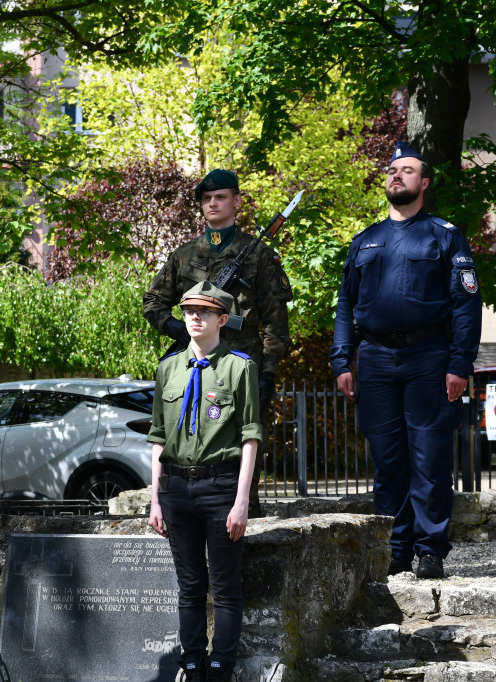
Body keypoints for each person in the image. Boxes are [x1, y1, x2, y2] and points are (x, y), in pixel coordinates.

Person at [329, 141, 482, 580]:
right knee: (389, 459)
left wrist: (459, 365)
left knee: (430, 458)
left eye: (408, 170)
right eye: (392, 169)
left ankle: (430, 549)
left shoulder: (445, 235)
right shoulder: (365, 241)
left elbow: (466, 306)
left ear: (424, 182)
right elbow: (345, 307)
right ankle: (395, 550)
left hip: (429, 358)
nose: (397, 175)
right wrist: (343, 362)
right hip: (375, 360)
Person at [143, 169, 292, 517]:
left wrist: (267, 373)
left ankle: (245, 512)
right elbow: (153, 301)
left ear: (236, 201)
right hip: (192, 362)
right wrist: (174, 328)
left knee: (245, 438)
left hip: (242, 360)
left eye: (220, 196)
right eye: (206, 198)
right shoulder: (184, 255)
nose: (212, 203)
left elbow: (276, 323)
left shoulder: (257, 255)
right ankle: (181, 507)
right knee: (187, 433)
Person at [147, 281, 262, 682]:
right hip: (176, 488)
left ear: (222, 319)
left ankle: (220, 665)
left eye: (204, 312)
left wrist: (242, 500)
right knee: (190, 586)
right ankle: (192, 662)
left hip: (221, 486)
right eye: (188, 311)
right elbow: (158, 436)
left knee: (226, 586)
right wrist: (155, 499)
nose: (194, 318)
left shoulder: (239, 367)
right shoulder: (168, 369)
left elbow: (250, 436)